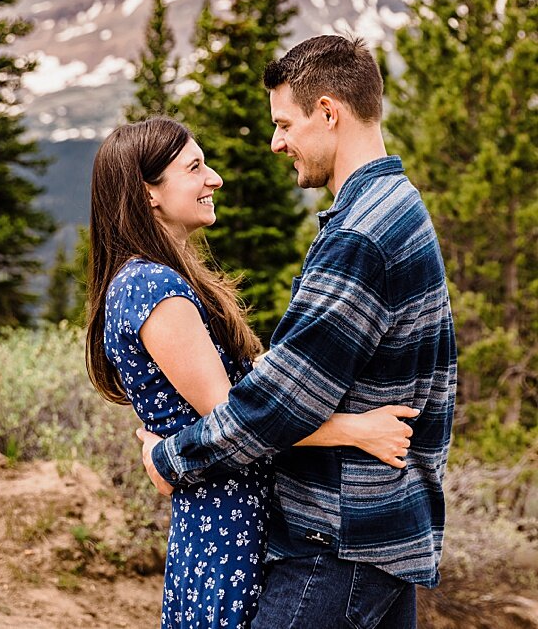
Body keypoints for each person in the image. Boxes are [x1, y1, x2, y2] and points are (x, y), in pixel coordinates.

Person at [137, 35, 457, 629]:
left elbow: (277, 405)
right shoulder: (400, 205)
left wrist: (171, 459)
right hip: (382, 527)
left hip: (336, 539)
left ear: (328, 112)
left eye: (285, 123)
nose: (276, 141)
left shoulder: (359, 236)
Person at [88, 116, 419, 628]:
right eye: (194, 168)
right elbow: (236, 416)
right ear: (148, 192)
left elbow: (245, 397)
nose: (214, 178)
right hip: (226, 528)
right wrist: (355, 431)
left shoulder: (161, 280)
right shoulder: (150, 287)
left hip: (235, 516)